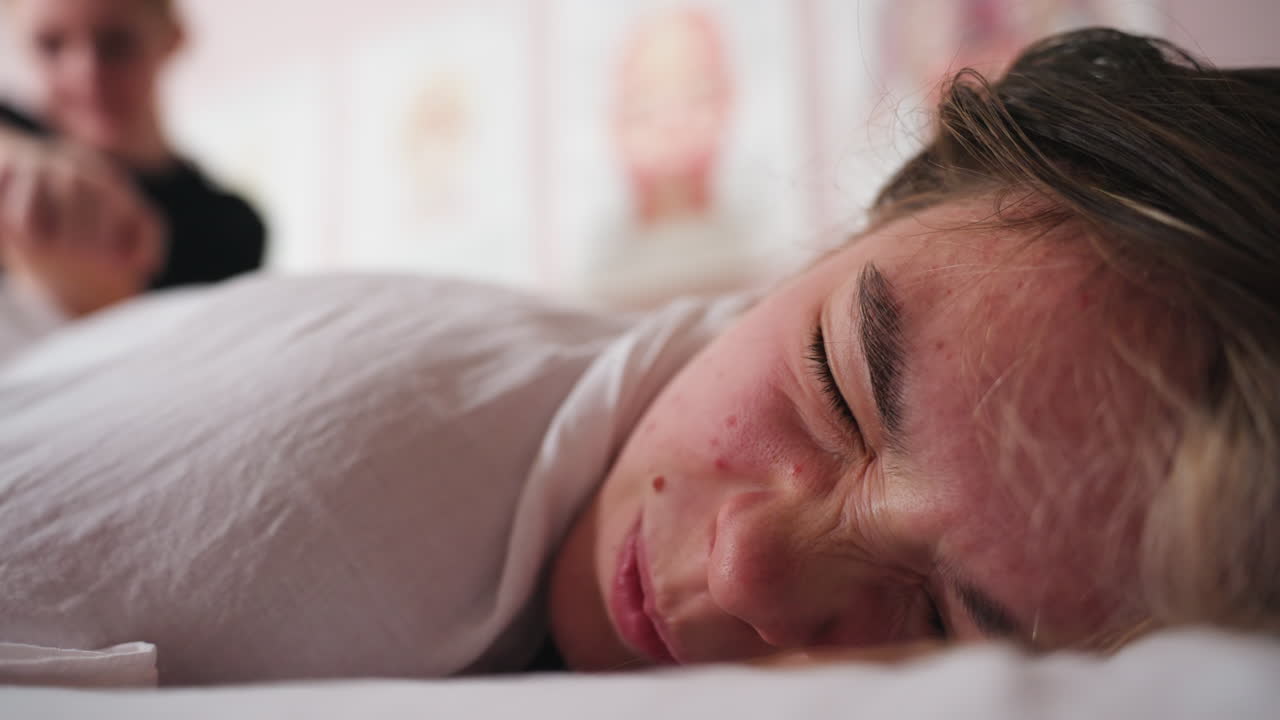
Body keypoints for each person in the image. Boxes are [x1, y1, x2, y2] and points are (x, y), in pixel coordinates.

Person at [0, 28, 1275, 684]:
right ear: (834, 240)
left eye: (942, 621)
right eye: (831, 383)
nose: (749, 562)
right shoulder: (353, 487)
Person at [0, 0, 266, 319]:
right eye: (51, 46)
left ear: (173, 38)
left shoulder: (229, 228)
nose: (86, 72)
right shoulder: (11, 129)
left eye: (116, 43)